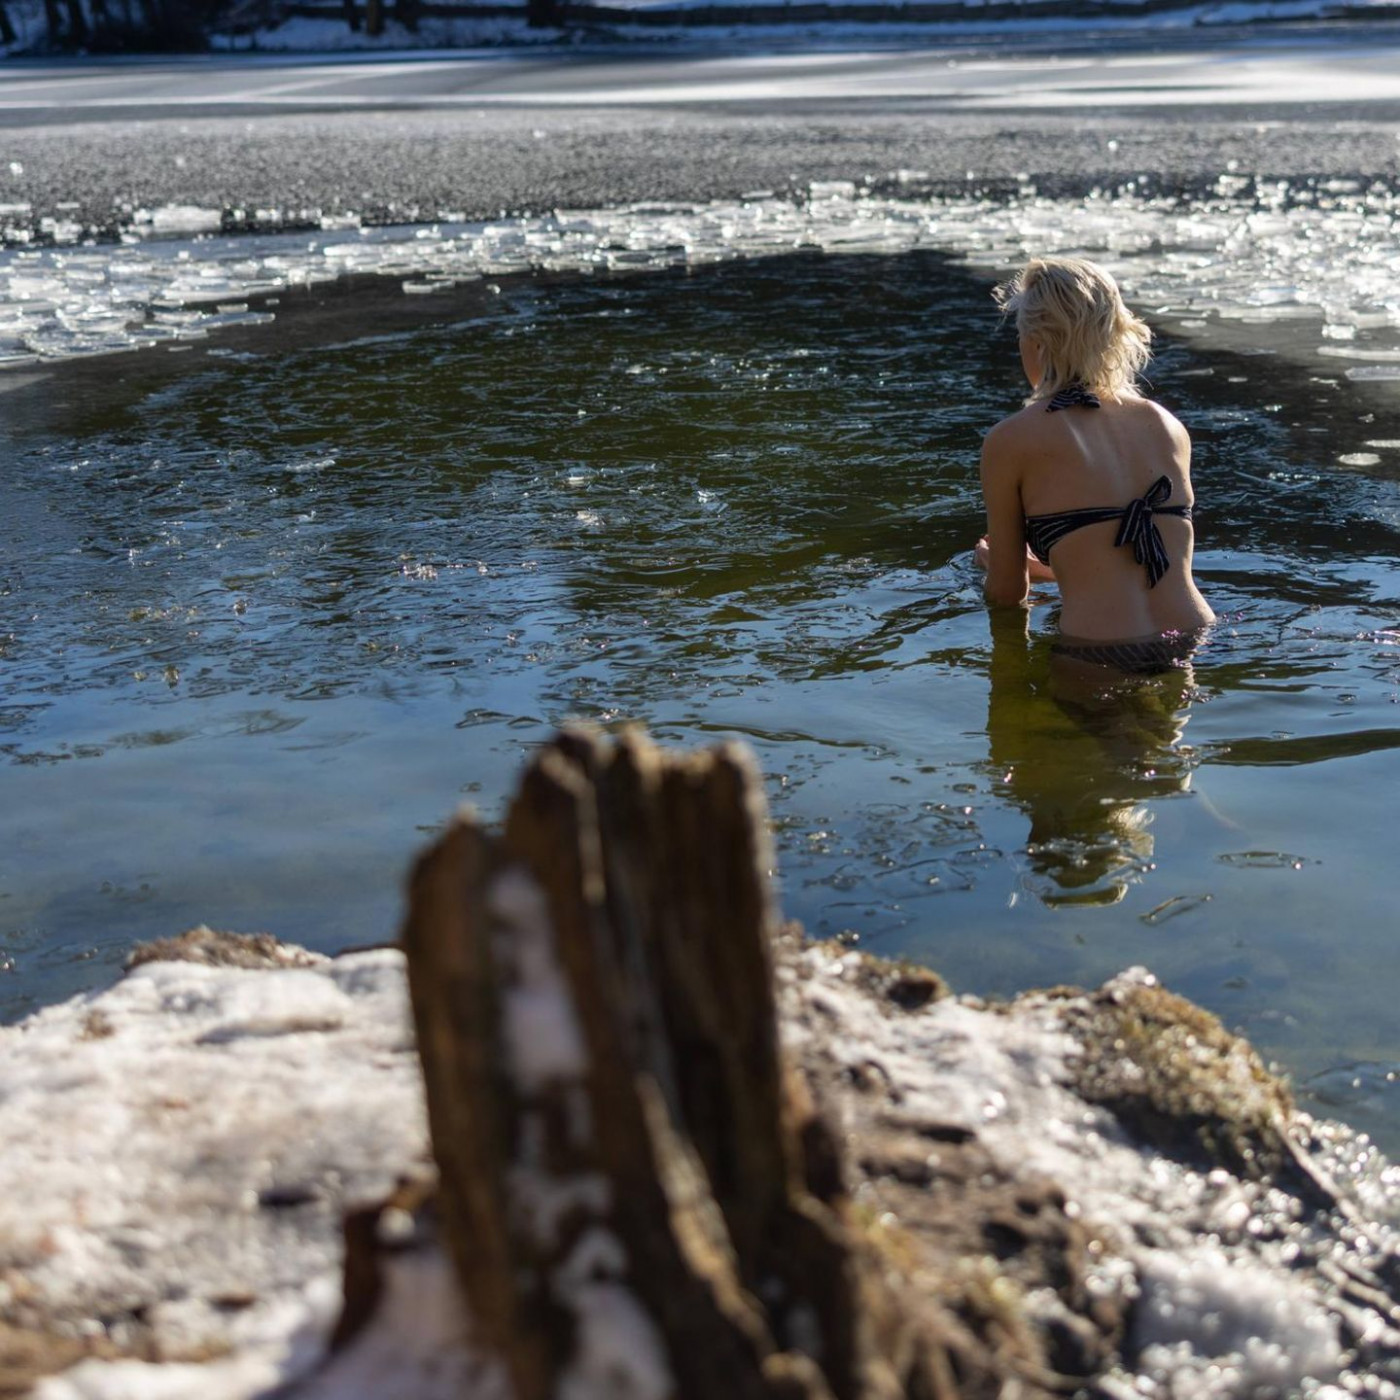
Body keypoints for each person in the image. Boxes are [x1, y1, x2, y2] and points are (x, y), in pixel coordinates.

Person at [975, 257, 1214, 671]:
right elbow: (1132, 557)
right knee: (1163, 738)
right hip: (1193, 634)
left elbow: (1007, 594)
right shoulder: (1166, 424)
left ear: (1036, 341)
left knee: (1039, 736)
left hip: (1096, 649)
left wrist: (995, 565)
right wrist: (1052, 569)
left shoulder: (1012, 440)